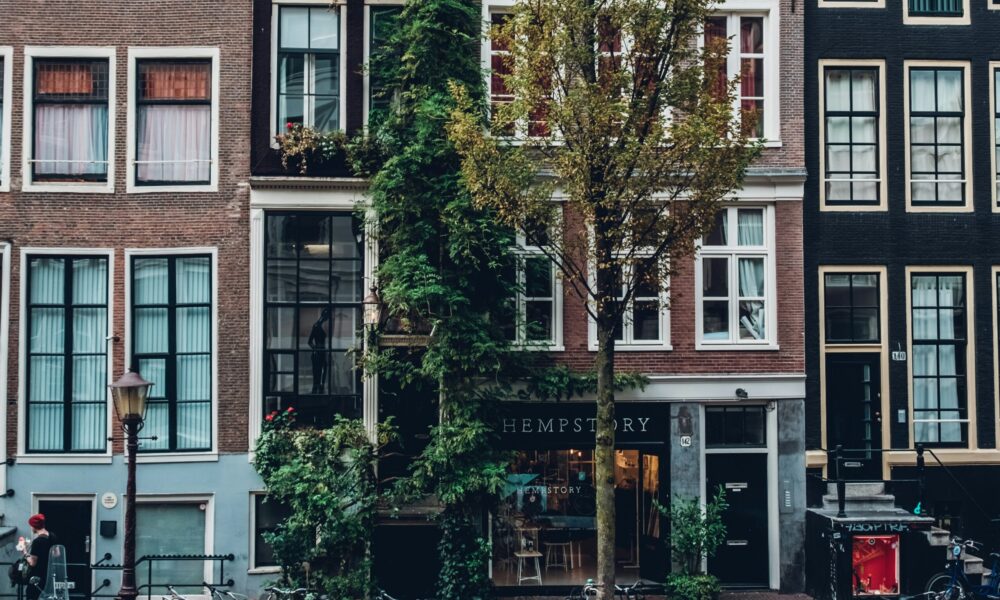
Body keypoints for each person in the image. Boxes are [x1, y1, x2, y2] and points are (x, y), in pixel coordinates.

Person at [25, 514, 55, 600]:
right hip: (49, 575)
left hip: (37, 576)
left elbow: (32, 563)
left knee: (32, 595)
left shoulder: (37, 542)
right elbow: (57, 554)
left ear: (34, 526)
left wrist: (25, 552)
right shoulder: (52, 536)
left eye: (31, 526)